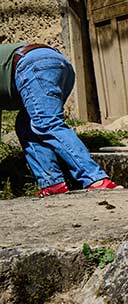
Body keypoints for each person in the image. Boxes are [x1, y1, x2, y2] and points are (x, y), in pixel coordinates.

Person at [0, 42, 121, 197]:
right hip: (56, 64)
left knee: (47, 123)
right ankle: (52, 183)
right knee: (25, 125)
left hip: (33, 65)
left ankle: (95, 179)